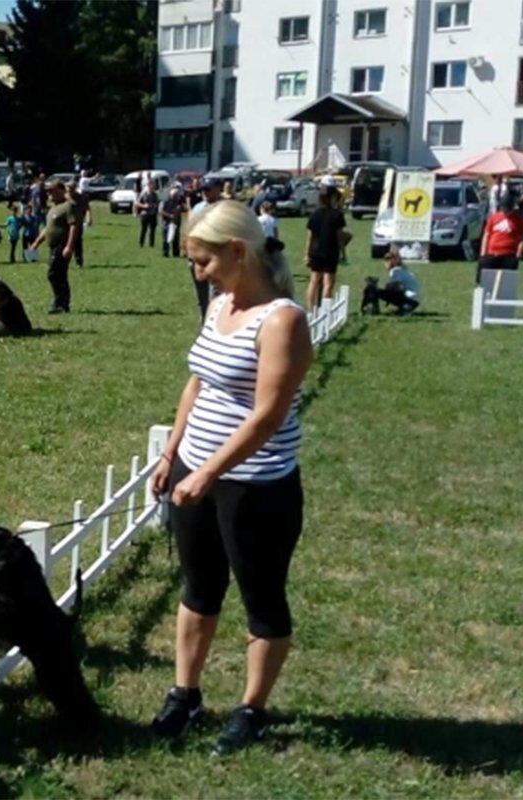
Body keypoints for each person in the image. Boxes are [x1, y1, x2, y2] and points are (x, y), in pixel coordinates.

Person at [150, 200, 313, 757]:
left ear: (238, 252)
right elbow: (197, 384)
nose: (199, 273)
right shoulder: (220, 305)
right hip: (198, 469)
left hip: (257, 484)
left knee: (262, 600)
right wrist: (173, 454)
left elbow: (267, 414)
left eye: (204, 262)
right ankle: (186, 693)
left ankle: (251, 710)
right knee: (198, 591)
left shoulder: (283, 319)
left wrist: (211, 473)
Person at [31, 179, 80, 314]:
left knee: (53, 274)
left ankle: (59, 301)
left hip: (61, 245)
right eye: (48, 191)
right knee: (59, 275)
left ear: (61, 191)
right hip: (53, 247)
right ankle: (63, 303)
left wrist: (69, 246)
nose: (49, 194)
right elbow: (48, 228)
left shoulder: (68, 206)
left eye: (52, 191)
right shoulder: (53, 208)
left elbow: (74, 226)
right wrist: (37, 242)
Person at [304, 186, 349, 313]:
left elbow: (310, 237)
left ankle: (310, 309)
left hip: (315, 250)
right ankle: (324, 310)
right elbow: (339, 237)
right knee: (328, 282)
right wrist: (343, 253)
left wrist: (307, 254)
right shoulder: (337, 215)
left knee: (313, 281)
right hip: (330, 250)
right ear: (332, 198)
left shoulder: (314, 214)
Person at [185, 177, 224, 319]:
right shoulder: (198, 208)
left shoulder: (226, 208)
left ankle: (215, 325)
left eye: (208, 190)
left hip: (217, 257)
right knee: (201, 298)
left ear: (218, 189)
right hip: (197, 257)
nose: (205, 193)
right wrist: (190, 254)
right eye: (203, 190)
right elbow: (190, 231)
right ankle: (204, 326)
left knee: (216, 295)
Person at [478, 193, 523, 281]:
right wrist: (483, 253)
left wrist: (518, 255)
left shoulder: (518, 220)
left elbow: (521, 239)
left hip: (509, 255)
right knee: (486, 280)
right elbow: (487, 235)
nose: (505, 211)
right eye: (504, 208)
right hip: (491, 254)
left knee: (506, 281)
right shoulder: (494, 218)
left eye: (507, 209)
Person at [377, 248, 421, 315]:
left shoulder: (395, 271)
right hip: (416, 300)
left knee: (378, 292)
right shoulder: (403, 269)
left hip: (410, 299)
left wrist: (382, 289)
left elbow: (396, 286)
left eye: (387, 261)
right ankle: (405, 307)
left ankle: (405, 307)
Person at [160, 185, 184, 258]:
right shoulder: (166, 202)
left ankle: (176, 253)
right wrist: (170, 215)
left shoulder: (179, 202)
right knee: (166, 238)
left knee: (176, 238)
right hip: (167, 222)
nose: (176, 197)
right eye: (174, 195)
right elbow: (161, 211)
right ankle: (165, 253)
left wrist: (181, 208)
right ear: (171, 195)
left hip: (176, 223)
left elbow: (184, 209)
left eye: (177, 195)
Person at [136, 181, 159, 248]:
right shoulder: (144, 194)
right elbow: (137, 203)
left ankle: (151, 244)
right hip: (145, 214)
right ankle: (141, 243)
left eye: (153, 186)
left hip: (153, 214)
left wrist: (155, 206)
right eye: (151, 186)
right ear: (148, 186)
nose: (152, 187)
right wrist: (144, 206)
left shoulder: (155, 195)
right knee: (144, 229)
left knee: (152, 230)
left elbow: (157, 203)